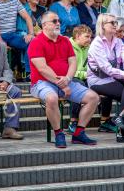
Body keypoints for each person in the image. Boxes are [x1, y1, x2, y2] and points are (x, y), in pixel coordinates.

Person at [28, 11, 100, 148]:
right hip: (42, 83)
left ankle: (79, 133)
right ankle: (59, 134)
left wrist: (67, 78)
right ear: (44, 25)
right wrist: (61, 84)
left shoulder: (65, 40)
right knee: (51, 98)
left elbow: (73, 63)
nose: (58, 23)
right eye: (54, 21)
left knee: (93, 98)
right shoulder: (36, 42)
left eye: (58, 21)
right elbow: (42, 69)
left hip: (66, 81)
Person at [88, 14, 124, 143]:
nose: (115, 25)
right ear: (102, 25)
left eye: (115, 22)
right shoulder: (96, 43)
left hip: (114, 77)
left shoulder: (117, 41)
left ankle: (120, 119)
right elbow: (106, 68)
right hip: (98, 80)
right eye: (112, 23)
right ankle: (123, 131)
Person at [67, 25, 92, 133]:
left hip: (86, 77)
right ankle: (73, 121)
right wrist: (84, 74)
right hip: (70, 77)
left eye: (90, 37)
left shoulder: (90, 47)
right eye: (87, 37)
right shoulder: (67, 46)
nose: (89, 40)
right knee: (78, 87)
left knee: (103, 85)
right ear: (77, 36)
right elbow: (66, 69)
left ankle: (105, 120)